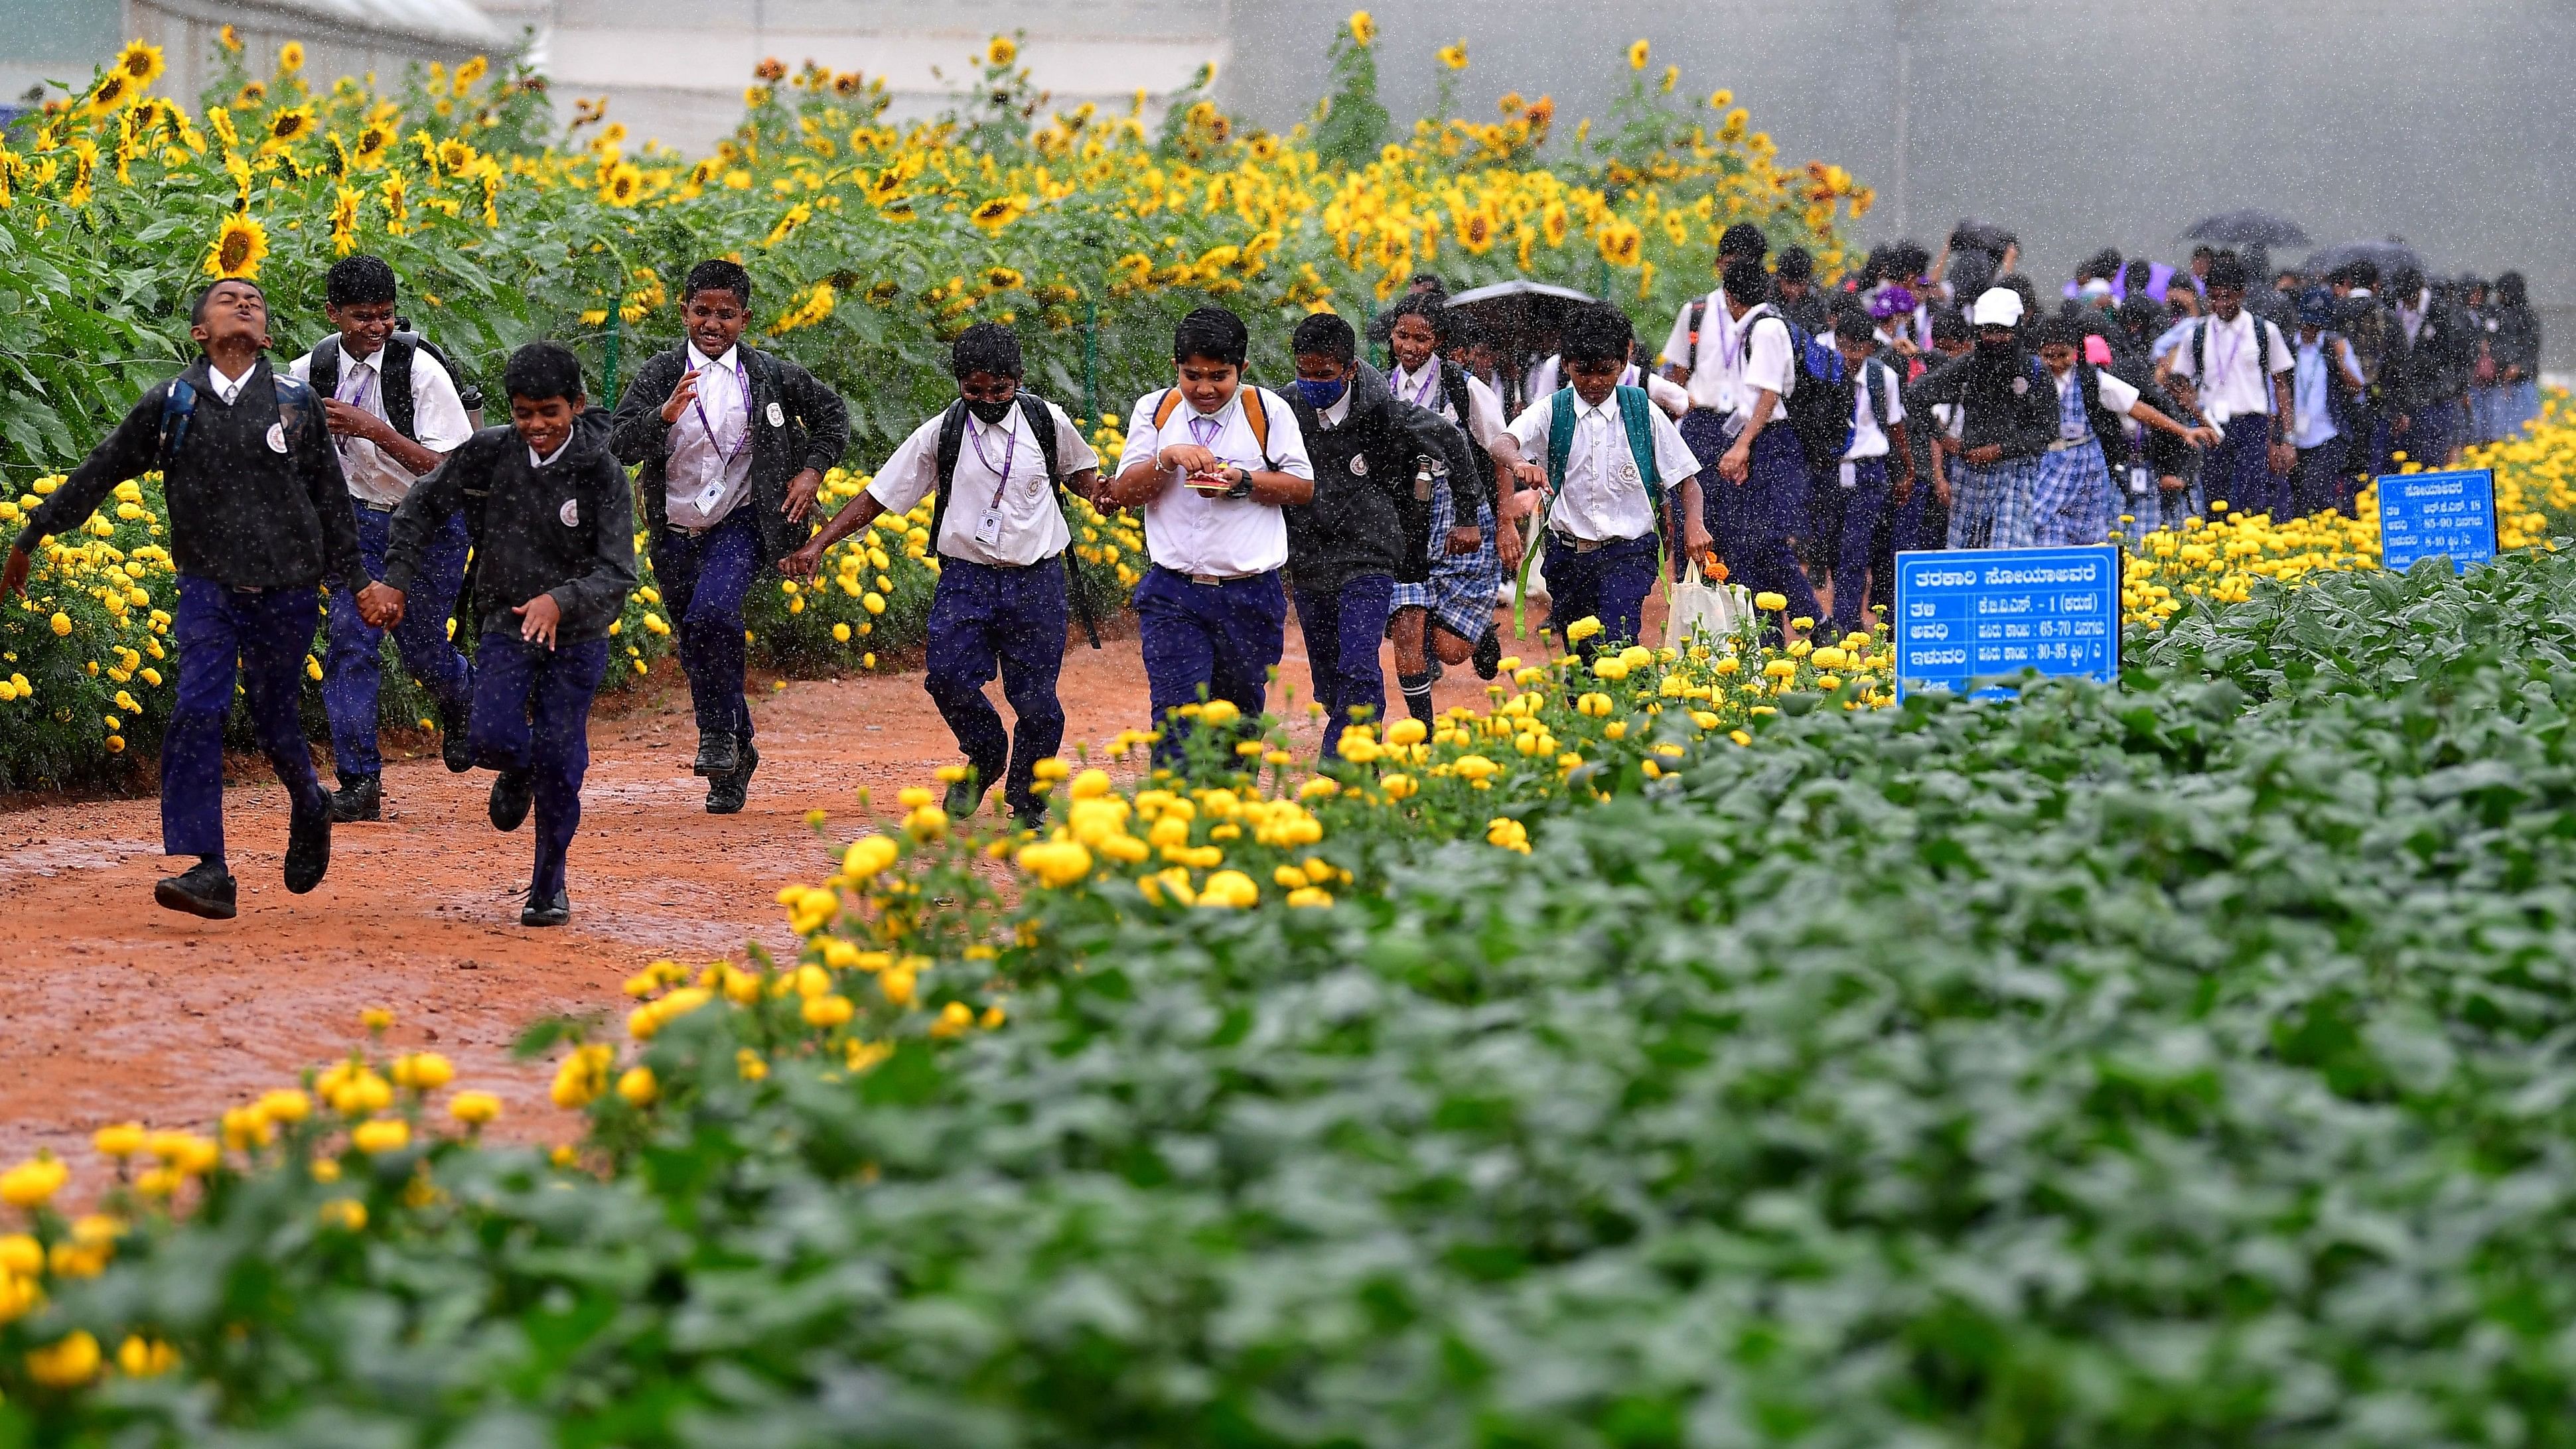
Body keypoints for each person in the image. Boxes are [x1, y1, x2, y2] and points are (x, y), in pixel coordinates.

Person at [3, 279, 354, 918]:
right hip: (208, 589)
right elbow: (101, 469)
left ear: (268, 336)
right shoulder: (173, 403)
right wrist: (34, 533)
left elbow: (332, 501)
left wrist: (357, 582)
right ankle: (209, 867)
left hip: (287, 592)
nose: (243, 303)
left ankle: (310, 801)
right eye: (226, 299)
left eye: (254, 300)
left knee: (276, 722)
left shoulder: (294, 403)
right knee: (197, 707)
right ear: (199, 332)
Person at [780, 323, 1100, 827]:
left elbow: (1079, 472)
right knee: (948, 678)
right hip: (966, 579)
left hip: (1037, 582)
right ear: (958, 383)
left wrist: (1103, 493)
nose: (988, 399)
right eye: (975, 390)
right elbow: (880, 495)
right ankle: (987, 752)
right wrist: (819, 542)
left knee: (1036, 700)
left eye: (1000, 390)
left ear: (1018, 380)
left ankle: (1029, 803)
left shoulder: (1045, 421)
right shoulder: (943, 432)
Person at [359, 342, 634, 927]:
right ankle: (519, 767)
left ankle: (548, 886)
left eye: (550, 412)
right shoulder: (486, 456)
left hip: (578, 637)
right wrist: (398, 582)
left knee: (563, 761)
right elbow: (418, 509)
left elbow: (617, 574)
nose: (537, 425)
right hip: (505, 625)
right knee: (485, 739)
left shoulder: (601, 473)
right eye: (524, 413)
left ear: (576, 407)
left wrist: (560, 601)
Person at [610, 258, 849, 813]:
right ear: (684, 313)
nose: (712, 324)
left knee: (713, 616)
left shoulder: (769, 375)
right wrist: (663, 417)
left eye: (725, 315)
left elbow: (832, 415)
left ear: (744, 319)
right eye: (701, 312)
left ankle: (715, 736)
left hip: (742, 522)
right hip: (673, 527)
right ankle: (736, 753)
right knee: (697, 644)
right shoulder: (660, 372)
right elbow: (619, 443)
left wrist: (812, 470)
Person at [285, 255, 478, 823]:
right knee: (350, 640)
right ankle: (359, 781)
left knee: (423, 651)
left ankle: (460, 699)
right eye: (362, 317)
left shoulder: (421, 372)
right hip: (357, 527)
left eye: (386, 317)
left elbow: (448, 469)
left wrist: (372, 429)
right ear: (333, 313)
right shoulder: (308, 372)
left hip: (429, 527)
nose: (376, 328)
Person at [1105, 306, 1315, 756]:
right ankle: (1174, 819)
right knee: (1176, 718)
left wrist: (1242, 482)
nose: (1204, 388)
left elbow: (1301, 487)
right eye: (1191, 375)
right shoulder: (1156, 411)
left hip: (1250, 595)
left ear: (1243, 369)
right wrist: (1167, 457)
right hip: (1173, 593)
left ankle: (1225, 815)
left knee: (1237, 724)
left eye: (1219, 376)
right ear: (1176, 368)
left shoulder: (1267, 410)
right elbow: (1124, 492)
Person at [1279, 311, 1482, 756]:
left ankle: (1347, 765)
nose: (1313, 382)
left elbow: (1450, 438)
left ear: (1350, 370)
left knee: (1358, 662)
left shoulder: (1384, 411)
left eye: (1324, 374)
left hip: (1369, 557)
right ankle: (1352, 736)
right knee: (1330, 679)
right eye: (1304, 372)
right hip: (1309, 558)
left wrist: (1468, 515)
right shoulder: (1285, 408)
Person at [1497, 303, 1708, 658]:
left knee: (1616, 643)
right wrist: (1519, 463)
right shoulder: (1552, 410)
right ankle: (1602, 705)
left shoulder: (1642, 410)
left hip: (1629, 553)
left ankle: (1628, 700)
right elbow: (1502, 442)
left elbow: (1689, 482)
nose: (1594, 382)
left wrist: (1695, 526)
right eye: (1583, 372)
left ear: (1623, 364)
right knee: (1582, 660)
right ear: (1566, 365)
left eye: (1605, 372)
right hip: (1568, 558)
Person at [1383, 293, 1512, 719]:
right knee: (1407, 623)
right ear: (1391, 335)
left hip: (1458, 513)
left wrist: (1505, 517)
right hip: (1404, 519)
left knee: (1450, 649)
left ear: (1438, 341)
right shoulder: (1380, 389)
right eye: (1403, 335)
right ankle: (1424, 728)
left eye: (1422, 338)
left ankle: (1477, 634)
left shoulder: (1463, 387)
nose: (1411, 347)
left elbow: (1499, 450)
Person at [2029, 314, 2212, 545]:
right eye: (2048, 357)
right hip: (2050, 460)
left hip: (2086, 462)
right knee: (2042, 521)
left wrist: (2183, 430)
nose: (2056, 363)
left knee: (2088, 529)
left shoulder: (2090, 379)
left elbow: (2135, 407)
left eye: (2063, 356)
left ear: (2075, 351)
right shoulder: (2033, 380)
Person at [1707, 254, 1820, 624]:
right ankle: (1764, 631)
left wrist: (1743, 446)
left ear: (1729, 295)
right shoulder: (1755, 326)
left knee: (1768, 542)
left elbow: (1769, 396)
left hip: (1774, 441)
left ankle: (1814, 621)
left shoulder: (1766, 328)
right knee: (1747, 545)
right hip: (1759, 438)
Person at [1905, 287, 2057, 549]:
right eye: (1989, 331)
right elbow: (1914, 396)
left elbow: (2048, 430)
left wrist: (2000, 450)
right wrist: (1943, 438)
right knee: (1963, 550)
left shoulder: (2033, 371)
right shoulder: (1967, 366)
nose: (1996, 339)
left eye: (2003, 331)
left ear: (2018, 329)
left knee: (2007, 548)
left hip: (2016, 470)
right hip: (1969, 472)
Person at [2168, 253, 2296, 521]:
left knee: (2254, 500)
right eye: (2214, 297)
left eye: (2227, 297)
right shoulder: (2197, 333)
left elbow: (2281, 384)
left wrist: (2286, 438)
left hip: (2253, 424)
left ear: (2242, 294)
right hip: (2212, 424)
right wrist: (2189, 402)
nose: (2220, 304)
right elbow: (2178, 379)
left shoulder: (2264, 330)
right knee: (2216, 500)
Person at [1820, 311, 1909, 635]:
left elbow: (1896, 426)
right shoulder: (1825, 373)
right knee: (1829, 546)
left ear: (1870, 347)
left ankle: (1844, 624)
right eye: (1845, 347)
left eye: (1858, 348)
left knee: (1855, 550)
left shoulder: (1883, 376)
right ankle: (1843, 614)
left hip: (1868, 470)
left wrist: (1905, 472)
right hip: (1831, 469)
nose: (1851, 356)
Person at [2287, 288, 2366, 517]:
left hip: (2327, 434)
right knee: (2298, 501)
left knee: (2319, 495)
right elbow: (2278, 392)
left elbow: (2357, 388)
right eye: (2307, 323)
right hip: (2295, 437)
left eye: (2316, 325)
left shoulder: (2335, 346)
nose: (2310, 330)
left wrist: (2341, 360)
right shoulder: (2289, 347)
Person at [2385, 265, 2469, 471]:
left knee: (2433, 452)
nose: (2406, 303)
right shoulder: (2396, 310)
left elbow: (2453, 355)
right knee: (2411, 453)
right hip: (2410, 394)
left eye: (2409, 298)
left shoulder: (2438, 312)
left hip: (2435, 394)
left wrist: (2444, 383)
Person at [2490, 271, 2542, 441]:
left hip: (2522, 382)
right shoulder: (2496, 314)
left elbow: (2532, 348)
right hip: (2501, 383)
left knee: (2526, 432)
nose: (2499, 296)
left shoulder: (2527, 316)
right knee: (2501, 434)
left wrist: (2519, 367)